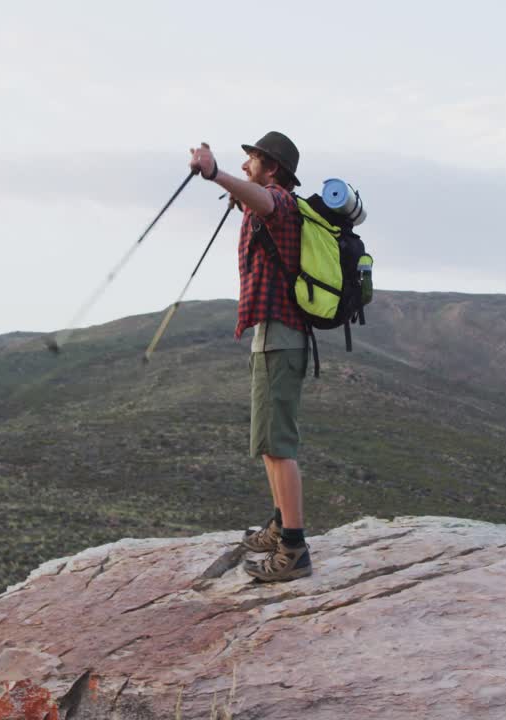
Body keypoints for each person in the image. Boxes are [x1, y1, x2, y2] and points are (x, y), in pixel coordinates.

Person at [188, 132, 311, 582]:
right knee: (267, 443)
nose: (245, 167)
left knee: (279, 445)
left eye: (252, 160)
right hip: (270, 335)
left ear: (272, 167)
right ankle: (281, 524)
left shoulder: (281, 203)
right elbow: (249, 201)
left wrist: (214, 173)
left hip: (282, 336)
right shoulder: (265, 204)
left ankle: (295, 549)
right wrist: (223, 182)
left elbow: (263, 201)